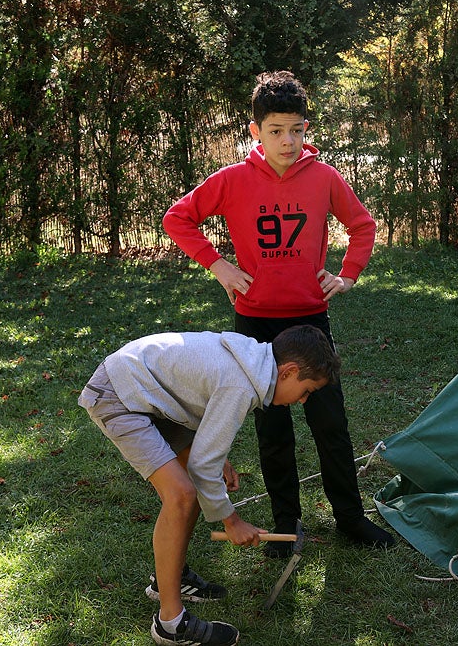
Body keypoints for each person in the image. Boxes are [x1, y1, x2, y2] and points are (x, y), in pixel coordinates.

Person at [163, 70, 394, 558]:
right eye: (275, 131)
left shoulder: (325, 177)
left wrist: (347, 275)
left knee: (329, 421)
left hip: (310, 322)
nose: (287, 142)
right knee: (273, 428)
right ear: (255, 131)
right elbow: (177, 218)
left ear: (306, 128)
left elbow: (363, 225)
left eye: (296, 130)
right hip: (255, 327)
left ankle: (350, 517)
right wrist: (220, 266)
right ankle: (286, 521)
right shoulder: (232, 180)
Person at [78, 324, 340, 646]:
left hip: (149, 390)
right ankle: (170, 624)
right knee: (183, 494)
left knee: (190, 487)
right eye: (306, 391)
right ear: (288, 371)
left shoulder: (251, 360)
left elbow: (203, 416)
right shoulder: (241, 385)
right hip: (120, 393)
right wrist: (232, 521)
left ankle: (167, 580)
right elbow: (203, 466)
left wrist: (215, 458)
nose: (302, 401)